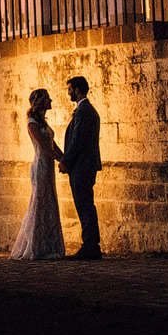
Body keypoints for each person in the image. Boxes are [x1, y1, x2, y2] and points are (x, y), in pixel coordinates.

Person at [8, 88, 65, 260]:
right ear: (39, 102)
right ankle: (35, 246)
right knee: (39, 202)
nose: (51, 101)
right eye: (48, 99)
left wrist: (65, 157)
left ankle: (49, 245)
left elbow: (53, 144)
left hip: (48, 166)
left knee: (50, 202)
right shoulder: (32, 122)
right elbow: (44, 147)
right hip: (40, 166)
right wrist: (60, 160)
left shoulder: (43, 123)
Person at [59, 75, 103, 259]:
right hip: (84, 165)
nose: (68, 92)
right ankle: (91, 245)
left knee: (84, 204)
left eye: (69, 89)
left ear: (77, 89)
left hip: (82, 166)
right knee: (85, 204)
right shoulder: (85, 110)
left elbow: (78, 140)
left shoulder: (84, 111)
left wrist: (66, 161)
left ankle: (91, 246)